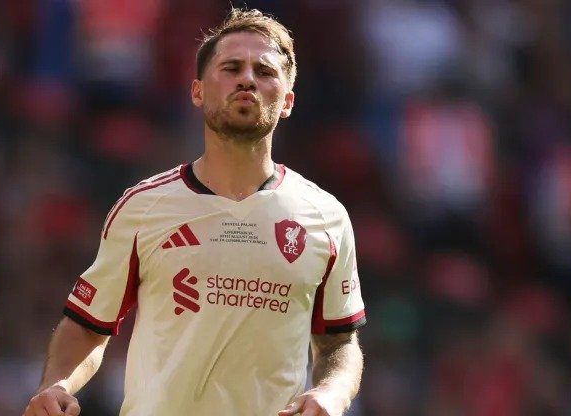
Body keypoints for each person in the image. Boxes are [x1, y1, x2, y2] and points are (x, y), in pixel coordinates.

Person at [23, 8, 366, 416]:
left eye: (264, 71)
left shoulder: (326, 216)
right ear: (198, 92)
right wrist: (57, 384)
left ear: (288, 101)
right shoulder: (143, 207)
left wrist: (331, 393)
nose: (247, 79)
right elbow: (87, 325)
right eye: (232, 67)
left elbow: (339, 342)